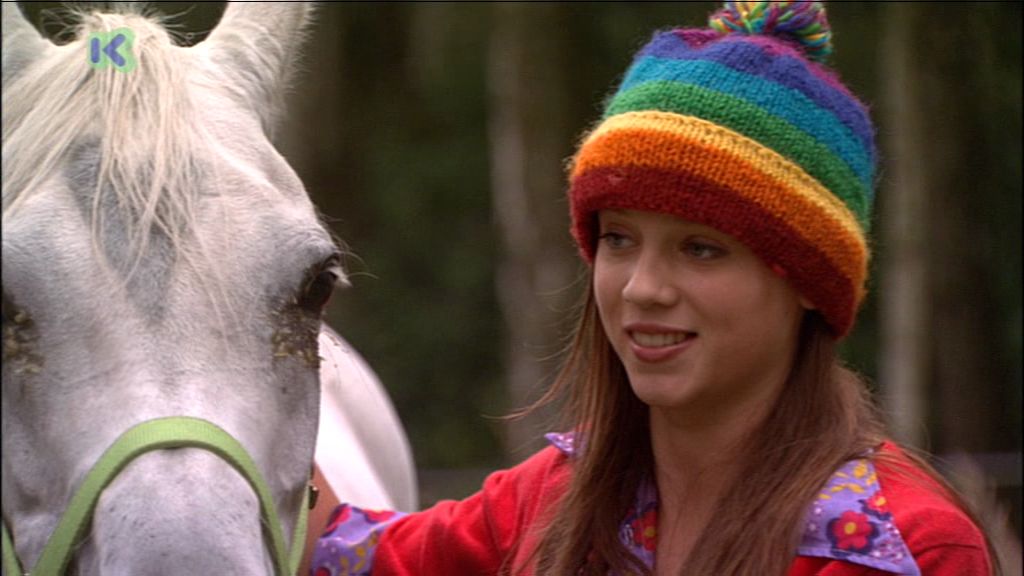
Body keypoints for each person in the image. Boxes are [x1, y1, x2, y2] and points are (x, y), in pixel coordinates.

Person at [305, 2, 997, 574]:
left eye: (701, 249)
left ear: (810, 282)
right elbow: (349, 553)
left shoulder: (909, 549)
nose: (643, 288)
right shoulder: (551, 498)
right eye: (618, 239)